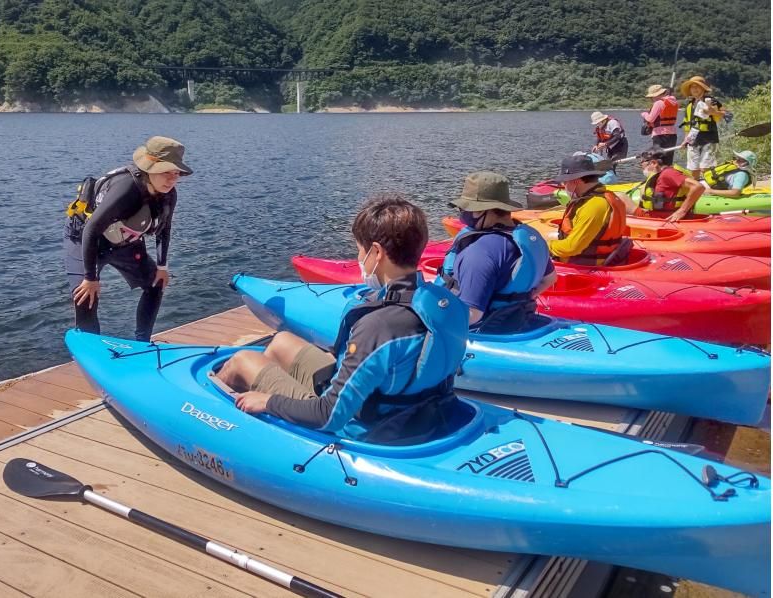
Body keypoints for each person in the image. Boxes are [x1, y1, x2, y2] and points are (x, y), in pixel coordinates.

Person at [217, 193, 470, 445]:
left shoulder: (379, 326)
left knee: (242, 360)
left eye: (360, 250)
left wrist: (268, 402)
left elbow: (329, 415)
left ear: (376, 252)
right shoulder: (440, 302)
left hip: (363, 426)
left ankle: (213, 418)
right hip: (415, 413)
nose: (359, 259)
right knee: (281, 340)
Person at [63, 136, 192, 341]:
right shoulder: (126, 189)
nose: (172, 179)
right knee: (85, 293)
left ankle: (142, 343)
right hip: (86, 239)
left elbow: (164, 228)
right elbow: (91, 229)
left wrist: (162, 267)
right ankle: (92, 349)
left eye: (176, 173)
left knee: (155, 283)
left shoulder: (169, 194)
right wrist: (90, 277)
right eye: (166, 172)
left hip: (124, 242)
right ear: (150, 169)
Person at [438, 171, 557, 331]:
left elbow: (472, 314)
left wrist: (431, 322)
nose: (462, 214)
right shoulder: (530, 237)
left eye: (464, 208)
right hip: (516, 322)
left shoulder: (479, 253)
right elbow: (550, 278)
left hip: (483, 331)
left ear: (481, 210)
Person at [546, 155, 633, 265]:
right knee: (550, 236)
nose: (564, 186)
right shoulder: (605, 196)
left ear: (575, 181)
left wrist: (546, 245)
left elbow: (572, 248)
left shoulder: (594, 205)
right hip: (601, 257)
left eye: (565, 182)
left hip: (586, 265)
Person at [636, 149, 704, 222]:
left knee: (622, 197)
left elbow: (698, 187)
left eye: (642, 162)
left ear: (654, 163)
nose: (641, 165)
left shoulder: (668, 173)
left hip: (664, 217)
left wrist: (682, 211)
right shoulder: (661, 174)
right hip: (658, 214)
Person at [680, 76, 726, 180]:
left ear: (703, 88)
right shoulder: (690, 104)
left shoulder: (711, 101)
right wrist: (685, 140)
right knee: (693, 167)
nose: (694, 89)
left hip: (709, 137)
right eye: (692, 87)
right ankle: (696, 186)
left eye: (697, 86)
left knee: (706, 166)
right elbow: (687, 125)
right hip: (693, 138)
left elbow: (723, 114)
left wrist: (713, 112)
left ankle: (708, 185)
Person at [640, 84, 679, 166]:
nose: (651, 99)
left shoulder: (658, 103)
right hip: (672, 135)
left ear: (656, 95)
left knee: (658, 159)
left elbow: (650, 119)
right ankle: (668, 176)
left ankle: (659, 177)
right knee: (668, 159)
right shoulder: (673, 101)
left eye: (652, 97)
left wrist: (644, 114)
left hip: (660, 135)